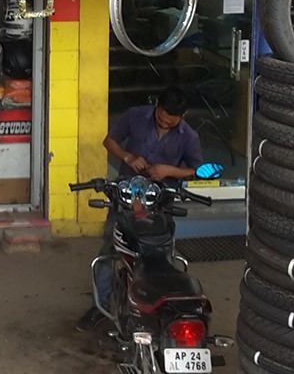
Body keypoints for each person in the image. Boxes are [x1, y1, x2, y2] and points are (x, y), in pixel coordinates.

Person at [75, 86, 203, 332]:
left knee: (160, 258)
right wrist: (128, 157)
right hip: (126, 199)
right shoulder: (135, 116)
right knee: (110, 251)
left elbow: (197, 170)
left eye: (171, 123)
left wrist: (168, 171)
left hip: (160, 204)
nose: (164, 124)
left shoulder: (189, 137)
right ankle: (99, 307)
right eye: (161, 119)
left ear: (183, 115)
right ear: (156, 106)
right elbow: (109, 141)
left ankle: (157, 309)